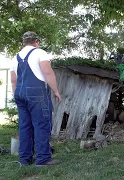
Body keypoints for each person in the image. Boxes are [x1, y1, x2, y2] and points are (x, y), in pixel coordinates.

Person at [10, 31, 62, 167]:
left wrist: (17, 96)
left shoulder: (15, 58)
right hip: (36, 93)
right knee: (41, 124)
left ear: (24, 43)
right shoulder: (40, 53)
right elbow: (48, 72)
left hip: (20, 93)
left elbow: (13, 80)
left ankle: (24, 159)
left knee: (24, 126)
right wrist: (56, 91)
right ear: (36, 42)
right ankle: (43, 159)